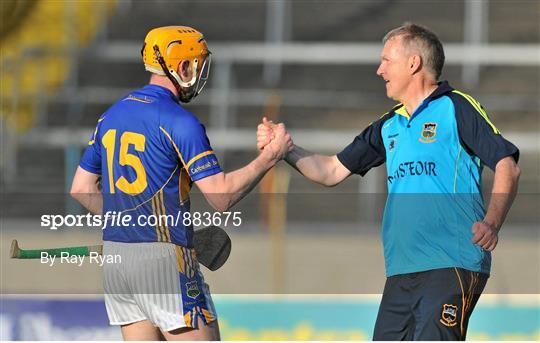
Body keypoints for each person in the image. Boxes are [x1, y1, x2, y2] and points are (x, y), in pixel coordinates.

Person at [257, 23, 520, 340]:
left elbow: (507, 165)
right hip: (401, 271)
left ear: (413, 63)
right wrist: (285, 150)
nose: (380, 70)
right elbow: (330, 171)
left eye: (386, 61)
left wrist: (492, 222)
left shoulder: (456, 107)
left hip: (452, 262)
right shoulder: (389, 125)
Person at [70, 26, 292, 341]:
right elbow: (221, 197)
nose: (201, 74)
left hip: (118, 262)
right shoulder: (180, 122)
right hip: (165, 263)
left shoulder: (111, 116)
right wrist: (270, 157)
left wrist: (132, 224)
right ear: (182, 67)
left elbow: (81, 188)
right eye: (198, 65)